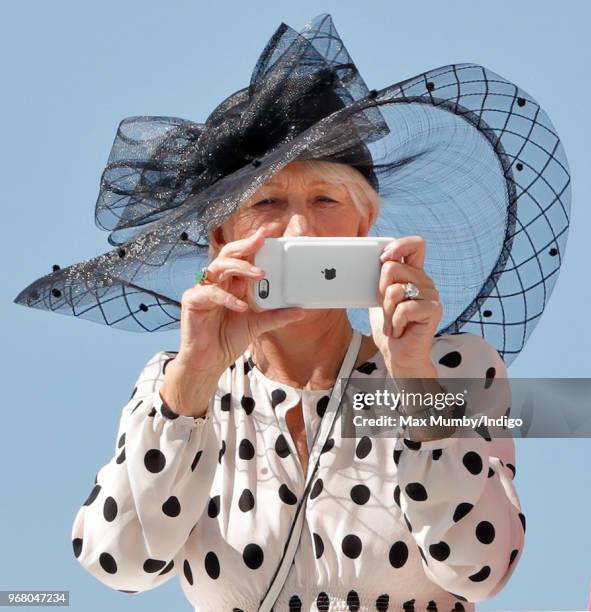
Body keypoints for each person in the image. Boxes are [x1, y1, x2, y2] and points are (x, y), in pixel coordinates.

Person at [71, 159, 525, 611]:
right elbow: (120, 563)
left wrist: (411, 373)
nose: (301, 228)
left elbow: (478, 571)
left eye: (325, 199)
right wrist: (195, 375)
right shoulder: (173, 385)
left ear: (364, 224)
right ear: (222, 236)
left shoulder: (452, 368)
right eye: (267, 201)